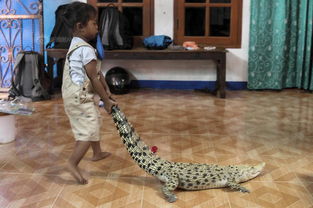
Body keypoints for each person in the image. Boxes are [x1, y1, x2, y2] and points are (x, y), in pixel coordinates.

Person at [61, 1, 116, 184]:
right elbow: (93, 78)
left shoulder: (77, 44)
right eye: (94, 23)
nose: (97, 28)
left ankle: (97, 152)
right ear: (80, 27)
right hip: (79, 96)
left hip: (77, 94)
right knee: (88, 129)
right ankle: (72, 163)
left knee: (94, 119)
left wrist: (106, 90)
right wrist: (106, 101)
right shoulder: (85, 49)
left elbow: (96, 74)